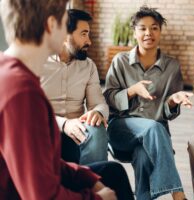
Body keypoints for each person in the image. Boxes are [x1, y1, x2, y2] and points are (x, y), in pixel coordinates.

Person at [0, 1, 134, 199]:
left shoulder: (12, 71)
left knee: (112, 172)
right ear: (51, 25)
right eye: (65, 24)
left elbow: (42, 160)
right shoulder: (21, 92)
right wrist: (96, 198)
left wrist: (87, 179)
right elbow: (41, 195)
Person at [104, 6, 192, 200]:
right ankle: (178, 193)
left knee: (144, 157)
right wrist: (132, 91)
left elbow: (170, 113)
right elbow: (108, 97)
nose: (148, 33)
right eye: (142, 28)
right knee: (152, 128)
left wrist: (171, 102)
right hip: (121, 129)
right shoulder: (120, 61)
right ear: (134, 32)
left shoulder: (172, 66)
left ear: (160, 31)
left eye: (154, 28)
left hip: (155, 137)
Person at [40, 9, 109, 165]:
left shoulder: (88, 66)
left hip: (78, 133)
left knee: (97, 128)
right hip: (44, 131)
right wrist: (64, 124)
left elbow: (99, 102)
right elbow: (30, 111)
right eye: (83, 34)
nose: (89, 41)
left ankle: (94, 184)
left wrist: (97, 112)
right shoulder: (38, 63)